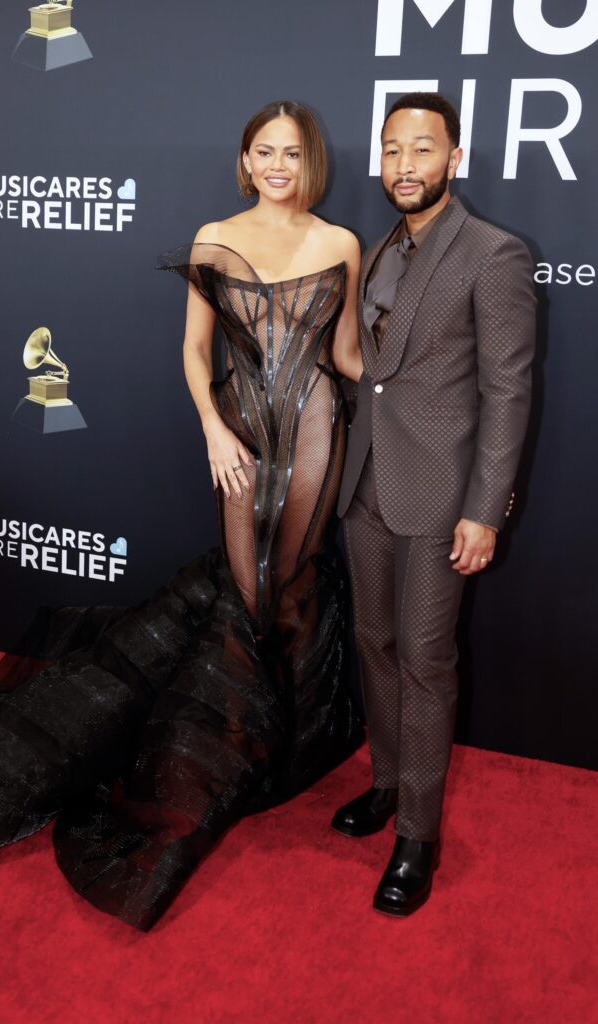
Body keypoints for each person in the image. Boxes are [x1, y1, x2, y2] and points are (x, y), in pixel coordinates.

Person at [0, 101, 364, 931]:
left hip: (320, 421)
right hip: (239, 425)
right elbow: (192, 349)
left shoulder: (342, 243)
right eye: (263, 151)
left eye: (291, 152)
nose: (278, 165)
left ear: (309, 161)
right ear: (244, 160)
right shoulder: (214, 237)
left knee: (293, 584)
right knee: (246, 591)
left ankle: (279, 745)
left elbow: (348, 353)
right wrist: (212, 427)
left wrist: (423, 372)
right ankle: (231, 749)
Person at [331, 93, 536, 916]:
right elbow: (370, 369)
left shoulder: (495, 253)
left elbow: (509, 392)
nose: (404, 165)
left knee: (424, 658)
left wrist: (486, 511)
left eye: (422, 149)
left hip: (444, 494)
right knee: (373, 640)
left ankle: (418, 833)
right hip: (365, 484)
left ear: (456, 158)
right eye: (392, 150)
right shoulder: (381, 247)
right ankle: (385, 783)